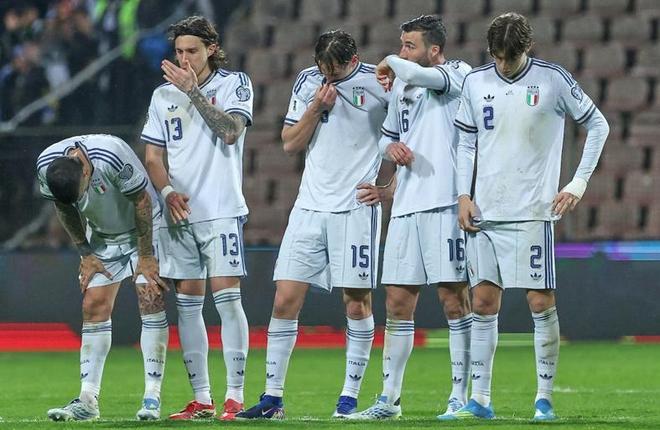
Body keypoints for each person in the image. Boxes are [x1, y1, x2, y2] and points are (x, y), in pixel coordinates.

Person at [444, 12, 609, 421]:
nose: (503, 65)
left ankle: (544, 399)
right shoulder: (475, 82)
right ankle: (480, 400)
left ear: (528, 48)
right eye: (497, 57)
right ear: (490, 51)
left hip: (533, 211)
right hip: (485, 211)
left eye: (511, 57)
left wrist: (577, 184)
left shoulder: (553, 80)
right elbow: (465, 142)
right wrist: (463, 195)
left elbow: (598, 125)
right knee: (483, 302)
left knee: (540, 301)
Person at [236, 30, 391, 420]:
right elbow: (290, 142)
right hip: (308, 207)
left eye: (334, 70)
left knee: (356, 302)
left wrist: (389, 188)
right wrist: (315, 109)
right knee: (284, 299)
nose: (328, 76)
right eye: (323, 68)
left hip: (355, 208)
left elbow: (412, 139)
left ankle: (349, 398)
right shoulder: (309, 81)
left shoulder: (379, 83)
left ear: (352, 60)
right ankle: (272, 399)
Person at [347, 15, 473, 420]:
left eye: (409, 46)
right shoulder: (402, 85)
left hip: (445, 203)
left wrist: (389, 60)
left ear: (434, 50)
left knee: (453, 299)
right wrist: (391, 150)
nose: (402, 52)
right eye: (400, 45)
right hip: (404, 207)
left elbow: (414, 73)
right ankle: (389, 399)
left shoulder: (458, 74)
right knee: (398, 302)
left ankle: (460, 396)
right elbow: (387, 135)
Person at [141, 15, 253, 421]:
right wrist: (167, 192)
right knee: (188, 306)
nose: (184, 59)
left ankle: (235, 397)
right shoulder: (162, 96)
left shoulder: (235, 84)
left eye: (192, 50)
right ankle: (202, 399)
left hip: (221, 209)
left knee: (227, 300)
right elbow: (153, 156)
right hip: (178, 214)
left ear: (212, 49)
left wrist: (194, 92)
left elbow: (231, 132)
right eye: (179, 51)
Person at [36, 134, 169, 421]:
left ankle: (152, 397)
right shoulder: (46, 165)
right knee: (93, 305)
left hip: (144, 229)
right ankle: (87, 401)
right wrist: (85, 253)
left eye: (82, 192)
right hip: (102, 235)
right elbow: (63, 206)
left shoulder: (112, 154)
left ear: (86, 171)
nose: (81, 199)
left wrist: (146, 256)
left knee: (150, 297)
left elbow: (142, 200)